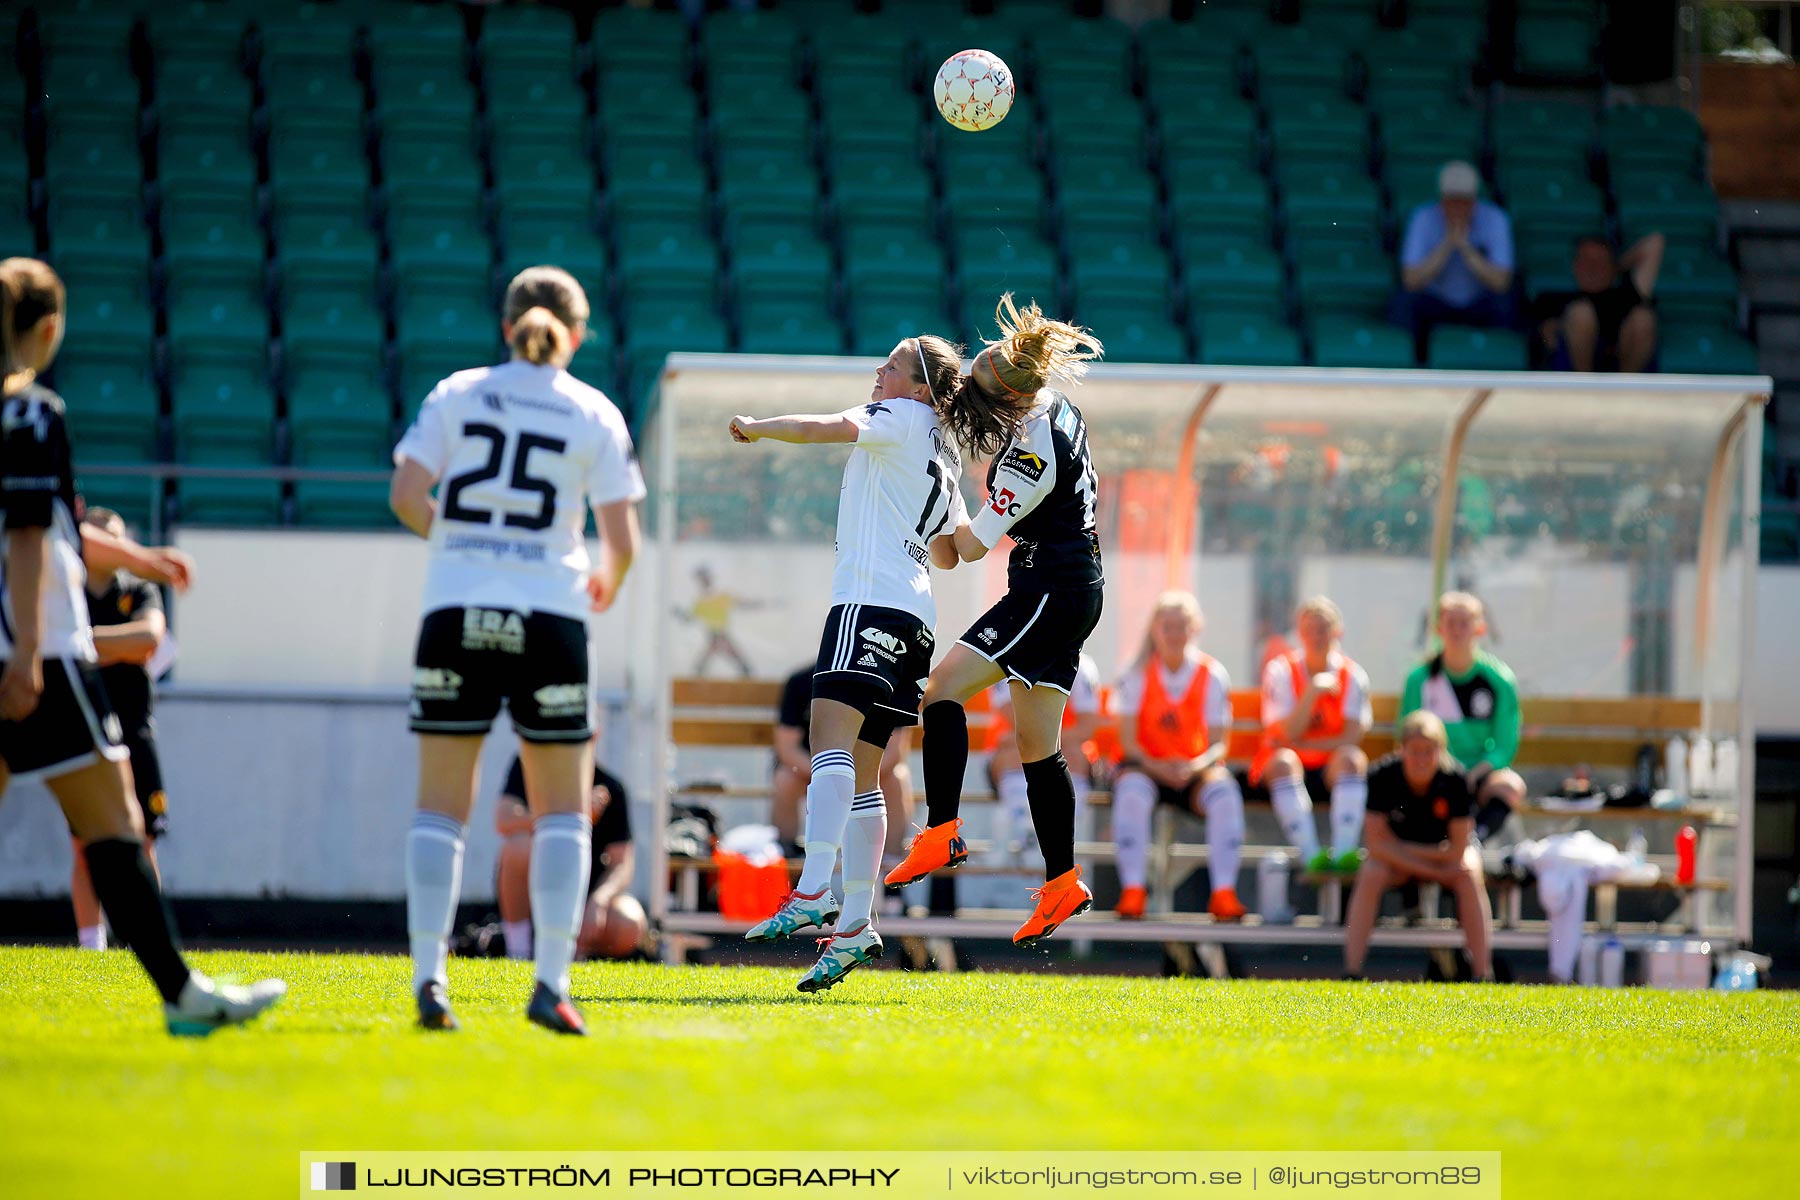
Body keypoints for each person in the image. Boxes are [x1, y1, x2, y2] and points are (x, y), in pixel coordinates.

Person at [0, 256, 284, 1033]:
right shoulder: (30, 414)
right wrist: (26, 651)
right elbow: (30, 537)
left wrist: (144, 561)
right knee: (115, 824)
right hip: (42, 654)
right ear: (49, 330)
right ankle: (184, 997)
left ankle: (183, 995)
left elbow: (59, 531)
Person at [390, 265, 642, 1035]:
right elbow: (623, 543)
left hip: (456, 607)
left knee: (441, 806)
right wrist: (606, 580)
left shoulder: (455, 392)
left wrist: (467, 548)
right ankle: (552, 984)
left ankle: (432, 981)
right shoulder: (594, 410)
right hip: (551, 618)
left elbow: (406, 496)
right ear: (575, 334)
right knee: (563, 811)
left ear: (507, 326)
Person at [729, 333, 965, 992]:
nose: (878, 371)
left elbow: (822, 427)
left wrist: (757, 427)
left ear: (920, 387)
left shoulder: (897, 418)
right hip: (917, 624)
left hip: (868, 605)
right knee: (865, 773)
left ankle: (811, 891)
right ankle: (857, 923)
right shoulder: (943, 448)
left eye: (891, 365)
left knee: (826, 740)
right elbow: (951, 552)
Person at [883, 293, 1107, 949]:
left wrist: (929, 497)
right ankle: (1063, 882)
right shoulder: (1051, 405)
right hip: (1073, 583)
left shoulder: (1029, 459)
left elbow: (968, 550)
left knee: (940, 690)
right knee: (1038, 747)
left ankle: (942, 831)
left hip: (1051, 585)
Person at [66, 507, 172, 951]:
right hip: (83, 728)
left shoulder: (139, 589)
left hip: (134, 731)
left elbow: (149, 639)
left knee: (142, 842)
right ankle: (92, 948)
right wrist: (118, 646)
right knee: (85, 848)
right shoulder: (67, 593)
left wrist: (83, 643)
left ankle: (147, 946)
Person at [1109, 592, 1247, 921]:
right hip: (1146, 769)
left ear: (1194, 628)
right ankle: (1133, 891)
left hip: (1193, 773)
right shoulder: (1135, 673)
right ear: (1155, 629)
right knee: (1130, 794)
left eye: (1181, 626)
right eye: (1166, 626)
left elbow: (1218, 744)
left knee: (1225, 793)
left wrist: (1193, 766)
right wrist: (1158, 767)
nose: (1173, 633)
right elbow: (1128, 744)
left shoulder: (1212, 674)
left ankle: (1224, 893)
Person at [1343, 711, 1495, 982]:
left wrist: (1404, 852)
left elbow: (1458, 849)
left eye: (1429, 751)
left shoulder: (1455, 779)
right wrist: (1429, 868)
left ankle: (1483, 973)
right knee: (1371, 872)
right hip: (1408, 863)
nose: (1422, 760)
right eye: (1415, 751)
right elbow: (1375, 846)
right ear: (1401, 749)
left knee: (1469, 872)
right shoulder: (1382, 776)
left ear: (1441, 751)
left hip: (1440, 857)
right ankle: (1352, 971)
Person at [494, 729, 646, 962]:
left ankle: (579, 953)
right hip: (537, 890)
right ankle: (519, 950)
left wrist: (599, 900)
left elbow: (622, 862)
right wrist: (577, 813)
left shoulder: (611, 788)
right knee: (518, 847)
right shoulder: (528, 767)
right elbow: (504, 820)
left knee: (630, 922)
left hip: (584, 894)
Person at [1252, 596, 1372, 874]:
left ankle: (1344, 854)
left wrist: (1303, 742)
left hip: (1331, 767)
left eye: (1323, 628)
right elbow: (1285, 733)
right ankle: (1311, 858)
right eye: (1309, 629)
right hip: (1288, 767)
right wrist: (1312, 692)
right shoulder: (1280, 671)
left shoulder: (1353, 675)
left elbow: (1351, 738)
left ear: (1337, 631)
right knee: (1283, 762)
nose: (1316, 636)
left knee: (1352, 760)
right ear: (1299, 632)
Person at [1400, 591, 1526, 842]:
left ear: (1480, 629)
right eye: (1450, 623)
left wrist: (1473, 775)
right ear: (1439, 629)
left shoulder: (1499, 680)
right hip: (1431, 769)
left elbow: (1504, 746)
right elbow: (1405, 736)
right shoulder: (1420, 679)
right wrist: (1438, 770)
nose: (1457, 631)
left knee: (1510, 786)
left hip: (1477, 773)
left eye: (1464, 623)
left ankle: (1473, 838)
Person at [773, 663, 913, 859]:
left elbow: (895, 751)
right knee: (785, 779)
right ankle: (788, 862)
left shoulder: (891, 682)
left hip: (869, 772)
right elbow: (787, 749)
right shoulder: (801, 681)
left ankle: (890, 868)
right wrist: (829, 773)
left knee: (896, 778)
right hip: (813, 771)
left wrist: (854, 776)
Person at [981, 649, 1099, 863]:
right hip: (1013, 755)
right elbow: (1014, 721)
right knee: (1014, 753)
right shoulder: (1007, 662)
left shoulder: (1082, 667)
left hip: (1062, 750)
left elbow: (1086, 728)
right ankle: (1028, 836)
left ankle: (1063, 838)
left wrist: (1046, 741)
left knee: (1074, 755)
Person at [1389, 160, 1516, 358]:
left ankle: (1502, 367)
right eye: (1452, 201)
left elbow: (1501, 283)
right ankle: (1411, 369)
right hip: (1436, 302)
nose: (1458, 208)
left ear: (1475, 200)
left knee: (1507, 305)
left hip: (1478, 301)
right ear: (1442, 200)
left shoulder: (1495, 218)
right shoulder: (1423, 217)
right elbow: (1410, 280)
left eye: (1464, 202)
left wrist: (1466, 248)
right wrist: (1448, 243)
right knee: (1403, 303)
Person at [1534, 232, 1665, 373]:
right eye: (1586, 260)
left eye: (1600, 260)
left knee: (1643, 317)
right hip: (1575, 366)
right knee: (1581, 313)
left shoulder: (1627, 293)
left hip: (1624, 364)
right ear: (1575, 265)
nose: (1593, 267)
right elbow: (1542, 337)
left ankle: (1626, 388)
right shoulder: (1551, 298)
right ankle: (1586, 386)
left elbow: (1655, 242)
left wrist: (1617, 268)